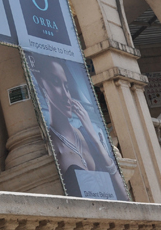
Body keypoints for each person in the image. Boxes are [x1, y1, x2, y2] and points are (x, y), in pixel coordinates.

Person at [31, 54, 128, 201]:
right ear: (42, 83)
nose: (66, 95)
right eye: (56, 82)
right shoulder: (52, 143)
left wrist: (93, 136)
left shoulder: (87, 134)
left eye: (67, 87)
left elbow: (124, 197)